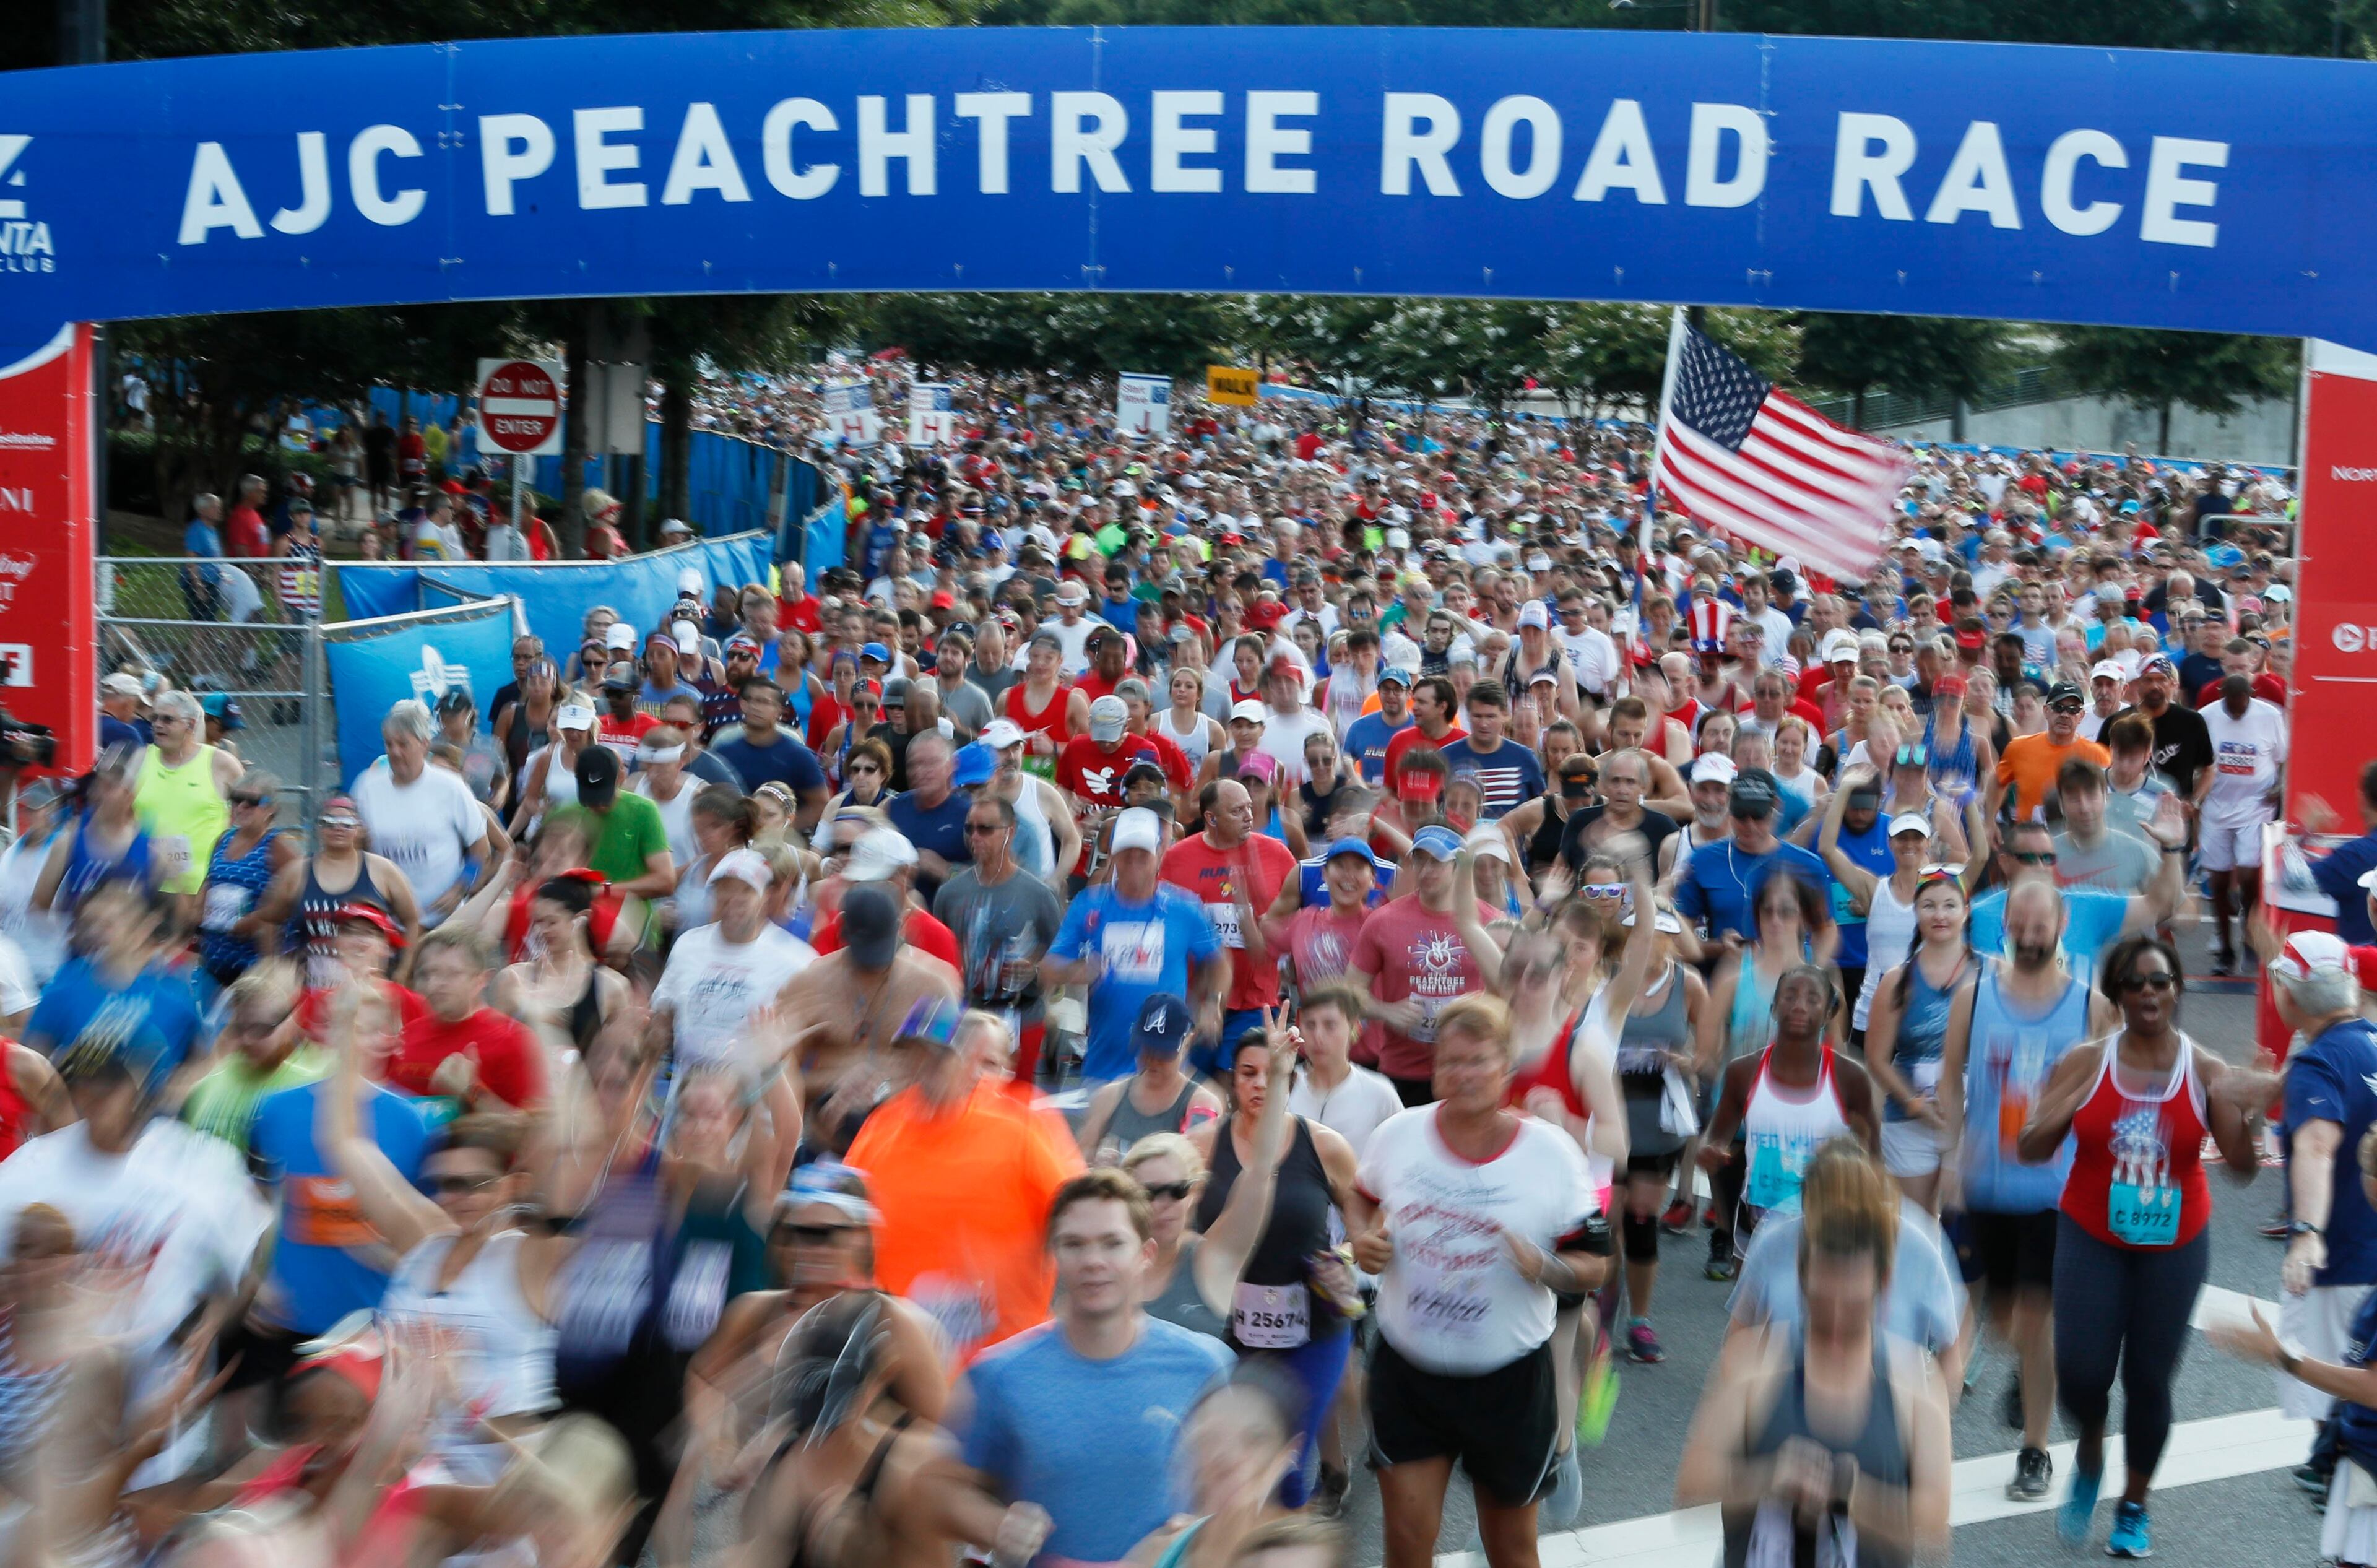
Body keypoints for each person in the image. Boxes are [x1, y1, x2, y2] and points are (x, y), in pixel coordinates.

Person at [2017, 935, 2279, 1557]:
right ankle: (2088, 1449)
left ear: (2177, 990)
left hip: (2174, 1242)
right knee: (2082, 1372)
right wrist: (2070, 1105)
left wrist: (2255, 1112)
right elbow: (2030, 1145)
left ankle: (2134, 1505)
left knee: (2149, 1379)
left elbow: (2241, 1169)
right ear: (2117, 996)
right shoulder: (2086, 1060)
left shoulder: (2207, 1069)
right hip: (2091, 1233)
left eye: (2159, 981)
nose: (2148, 992)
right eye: (2134, 983)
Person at [1349, 994, 1609, 1568]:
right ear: (1435, 1068)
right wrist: (1364, 1240)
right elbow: (1360, 1193)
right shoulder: (1398, 1136)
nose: (1463, 1073)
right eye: (1451, 1060)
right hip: (1409, 1377)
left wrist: (1546, 1268)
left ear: (1506, 1070)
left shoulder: (1552, 1156)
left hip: (1510, 1385)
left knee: (1512, 1550)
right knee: (1409, 1540)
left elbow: (1598, 1260)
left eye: (1479, 1060)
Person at [1674, 1143, 1953, 1568]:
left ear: (1883, 1286)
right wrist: (1769, 1477)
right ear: (1803, 1278)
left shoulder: (1915, 1382)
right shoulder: (1755, 1364)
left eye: (1854, 1307)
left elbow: (1934, 1521)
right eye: (1824, 1304)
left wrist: (1852, 1494)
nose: (1838, 1323)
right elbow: (1691, 1487)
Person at [955, 1167, 1234, 1565]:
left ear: (1145, 1255)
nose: (1093, 1261)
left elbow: (1244, 1493)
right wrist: (994, 1525)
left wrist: (1202, 1532)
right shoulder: (1000, 1374)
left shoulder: (1206, 1366)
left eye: (1112, 1243)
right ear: (1055, 1254)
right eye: (1074, 1244)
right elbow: (941, 1485)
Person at [735, 1290, 1050, 1568]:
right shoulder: (786, 1461)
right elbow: (759, 1556)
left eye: (836, 1412)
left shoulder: (911, 1468)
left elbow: (993, 1526)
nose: (821, 1434)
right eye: (812, 1413)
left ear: (876, 1385)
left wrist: (1008, 1529)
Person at [1187, 1026, 1363, 1512]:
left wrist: (1344, 1258)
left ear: (1290, 1079)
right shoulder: (1202, 1147)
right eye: (1248, 1073)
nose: (1260, 1084)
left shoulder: (1325, 1146)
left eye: (1270, 1073)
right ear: (1233, 1082)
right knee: (1241, 1462)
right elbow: (1176, 1227)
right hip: (1230, 1333)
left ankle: (1308, 1504)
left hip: (1315, 1329)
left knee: (1282, 1464)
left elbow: (1367, 1221)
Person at [2258, 927, 2377, 1499]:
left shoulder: (2319, 1062)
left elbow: (2316, 1147)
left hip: (2340, 1262)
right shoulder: (2371, 1043)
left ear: (2290, 990)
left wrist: (2306, 1233)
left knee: (2338, 1400)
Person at [1725, 1137, 1966, 1384]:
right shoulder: (1777, 1239)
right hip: (1790, 1400)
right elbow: (1738, 1336)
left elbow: (1950, 1355)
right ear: (1807, 1207)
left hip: (1893, 1407)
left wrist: (1930, 1415)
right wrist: (1747, 1405)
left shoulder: (1919, 1247)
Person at [1042, 807, 1229, 1084]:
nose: (1134, 861)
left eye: (1143, 854)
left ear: (1158, 856)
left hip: (1168, 1068)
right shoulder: (1089, 904)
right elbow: (1047, 970)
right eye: (1126, 853)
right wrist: (1074, 971)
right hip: (1104, 1066)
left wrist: (1213, 1004)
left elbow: (1218, 962)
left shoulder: (1184, 908)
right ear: (1114, 856)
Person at [24, 881, 208, 1098]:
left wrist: (179, 1090)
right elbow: (32, 1061)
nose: (94, 933)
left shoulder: (174, 993)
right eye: (88, 924)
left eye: (107, 925)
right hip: (75, 1116)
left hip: (148, 1122)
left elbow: (203, 1059)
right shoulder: (65, 986)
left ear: (143, 928)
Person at [1164, 779, 1300, 1067]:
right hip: (1195, 1001)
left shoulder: (1276, 853)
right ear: (1211, 818)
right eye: (1237, 811)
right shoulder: (1176, 859)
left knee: (1244, 1086)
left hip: (1256, 1001)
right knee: (1194, 1088)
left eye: (1250, 807)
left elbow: (1298, 915)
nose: (1249, 816)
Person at [648, 849, 817, 1074]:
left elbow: (804, 1048)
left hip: (754, 1100)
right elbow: (663, 1017)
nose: (732, 899)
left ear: (765, 896)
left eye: (746, 891)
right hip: (686, 1099)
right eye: (724, 889)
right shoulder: (688, 945)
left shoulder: (797, 960)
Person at [1128, 1371, 1307, 1568]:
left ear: (1287, 1454)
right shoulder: (1157, 1554)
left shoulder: (1305, 1558)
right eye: (1212, 1438)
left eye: (1255, 1440)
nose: (1229, 1458)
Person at [353, 699, 491, 927]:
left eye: (403, 744)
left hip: (445, 920)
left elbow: (481, 849)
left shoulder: (451, 787)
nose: (395, 752)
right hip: (389, 921)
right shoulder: (366, 787)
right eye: (389, 744)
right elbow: (357, 850)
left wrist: (460, 889)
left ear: (424, 744)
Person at [388, 926, 547, 1111]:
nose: (434, 984)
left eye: (451, 974)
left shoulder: (515, 1040)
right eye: (426, 974)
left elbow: (532, 1132)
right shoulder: (409, 1033)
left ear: (481, 980)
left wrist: (470, 1091)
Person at [1672, 768, 1832, 947]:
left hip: (1787, 971)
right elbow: (1682, 934)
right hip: (1725, 969)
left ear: (1776, 807)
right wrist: (1719, 948)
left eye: (1758, 816)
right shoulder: (1702, 861)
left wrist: (1812, 968)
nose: (1750, 825)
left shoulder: (1808, 865)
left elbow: (1826, 930)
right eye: (1741, 816)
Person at [2198, 671, 2288, 973]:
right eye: (2231, 703)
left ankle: (2249, 939)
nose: (2236, 709)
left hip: (2256, 806)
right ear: (2222, 696)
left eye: (2241, 703)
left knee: (2250, 875)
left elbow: (2283, 758)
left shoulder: (2270, 715)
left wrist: (2280, 787)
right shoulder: (2207, 716)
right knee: (2219, 881)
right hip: (2217, 806)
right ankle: (2225, 950)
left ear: (2251, 696)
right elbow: (2199, 762)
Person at [132, 687, 245, 910]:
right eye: (155, 718)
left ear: (191, 725)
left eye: (168, 719)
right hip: (146, 886)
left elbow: (249, 819)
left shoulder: (222, 764)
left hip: (202, 891)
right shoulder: (139, 758)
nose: (157, 725)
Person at [1077, 993, 1226, 1158]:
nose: (1153, 1059)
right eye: (1146, 1048)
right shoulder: (1109, 1097)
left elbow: (1195, 1169)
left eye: (1164, 1052)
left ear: (1188, 1043)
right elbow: (1080, 1162)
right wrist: (1097, 1166)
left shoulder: (1201, 1103)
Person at [194, 769, 300, 989]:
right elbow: (209, 882)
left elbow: (297, 898)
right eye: (236, 799)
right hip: (214, 956)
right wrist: (197, 911)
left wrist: (256, 920)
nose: (241, 807)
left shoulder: (277, 846)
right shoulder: (224, 839)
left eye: (251, 801)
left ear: (270, 809)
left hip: (253, 964)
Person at [711, 678, 831, 831]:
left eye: (764, 702)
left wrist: (785, 831)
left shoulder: (797, 755)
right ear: (743, 704)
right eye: (751, 700)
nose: (756, 707)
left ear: (779, 711)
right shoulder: (724, 752)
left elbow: (820, 803)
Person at [1989, 680, 2111, 823]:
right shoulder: (2019, 747)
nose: (2065, 715)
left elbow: (2109, 798)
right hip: (2030, 837)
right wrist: (1990, 822)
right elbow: (1997, 781)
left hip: (2076, 838)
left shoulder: (2097, 755)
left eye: (2073, 710)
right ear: (2046, 711)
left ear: (2081, 716)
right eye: (2059, 708)